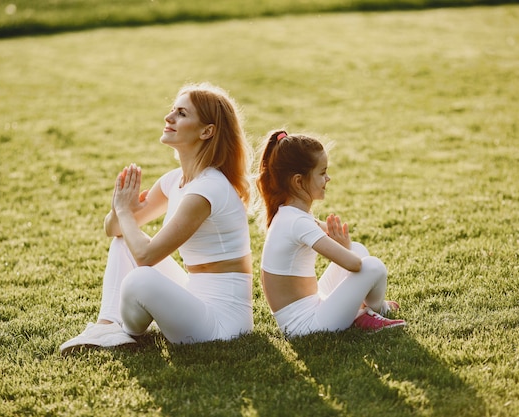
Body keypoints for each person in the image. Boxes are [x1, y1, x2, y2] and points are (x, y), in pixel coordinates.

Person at [60, 83, 254, 354]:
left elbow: (146, 257)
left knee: (140, 279)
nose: (169, 118)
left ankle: (118, 330)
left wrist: (126, 212)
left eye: (182, 114)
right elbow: (114, 229)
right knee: (123, 243)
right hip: (193, 294)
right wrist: (119, 208)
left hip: (223, 324)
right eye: (172, 110)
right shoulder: (175, 180)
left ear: (207, 131)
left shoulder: (208, 189)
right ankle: (107, 326)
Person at [256, 130, 406, 337]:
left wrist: (345, 246)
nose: (328, 178)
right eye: (322, 172)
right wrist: (343, 247)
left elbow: (343, 248)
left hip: (313, 306)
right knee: (373, 266)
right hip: (306, 327)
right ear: (298, 181)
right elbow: (354, 265)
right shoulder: (297, 222)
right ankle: (376, 309)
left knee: (358, 249)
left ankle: (362, 311)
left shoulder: (290, 214)